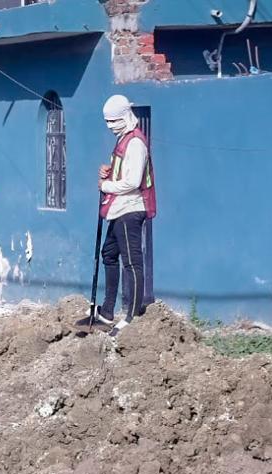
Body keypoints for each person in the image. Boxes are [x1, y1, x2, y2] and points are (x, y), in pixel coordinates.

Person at [95, 94, 156, 334]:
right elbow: (121, 171)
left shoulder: (135, 143)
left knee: (132, 262)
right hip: (118, 208)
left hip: (131, 208)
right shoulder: (122, 140)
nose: (110, 126)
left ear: (125, 117)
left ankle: (132, 317)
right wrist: (107, 172)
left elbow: (132, 181)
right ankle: (108, 311)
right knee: (108, 253)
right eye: (107, 122)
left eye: (114, 121)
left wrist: (106, 186)